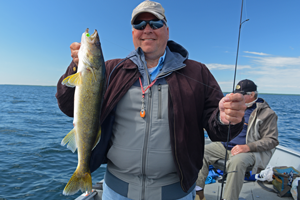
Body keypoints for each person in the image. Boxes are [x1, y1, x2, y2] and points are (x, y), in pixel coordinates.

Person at [56, 1, 246, 199]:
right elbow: (68, 106)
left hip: (176, 193)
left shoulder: (198, 72)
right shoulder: (111, 70)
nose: (147, 29)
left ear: (167, 30)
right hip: (117, 191)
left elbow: (218, 130)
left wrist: (226, 118)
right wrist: (75, 68)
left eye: (155, 23)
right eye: (139, 25)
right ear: (132, 33)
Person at [196, 79, 279, 200]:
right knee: (200, 152)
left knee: (237, 162)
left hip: (250, 151)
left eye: (241, 94)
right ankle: (198, 194)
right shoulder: (233, 108)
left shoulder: (267, 114)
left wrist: (247, 147)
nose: (236, 97)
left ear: (252, 94)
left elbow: (272, 140)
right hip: (225, 146)